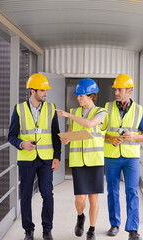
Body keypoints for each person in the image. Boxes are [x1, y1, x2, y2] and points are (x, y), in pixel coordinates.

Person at [8, 73, 61, 240]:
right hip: (26, 160)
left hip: (46, 159)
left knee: (47, 194)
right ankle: (28, 230)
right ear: (33, 91)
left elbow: (56, 135)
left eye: (46, 90)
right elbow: (11, 136)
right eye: (42, 90)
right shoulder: (19, 109)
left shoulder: (51, 109)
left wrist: (57, 157)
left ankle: (47, 230)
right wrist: (22, 144)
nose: (45, 93)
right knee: (25, 196)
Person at [56, 78, 106, 240]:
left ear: (91, 96)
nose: (78, 98)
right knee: (80, 198)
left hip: (95, 161)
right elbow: (72, 133)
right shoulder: (75, 112)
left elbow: (89, 124)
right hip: (78, 161)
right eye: (77, 96)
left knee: (93, 197)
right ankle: (80, 217)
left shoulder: (101, 112)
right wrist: (67, 138)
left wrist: (67, 114)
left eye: (81, 96)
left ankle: (91, 229)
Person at [103, 74, 143, 240]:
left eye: (119, 89)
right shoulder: (107, 108)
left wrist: (134, 137)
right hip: (111, 156)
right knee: (112, 190)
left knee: (132, 191)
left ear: (129, 90)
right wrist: (109, 137)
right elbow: (98, 132)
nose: (116, 92)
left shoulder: (139, 110)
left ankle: (132, 229)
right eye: (115, 89)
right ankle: (114, 224)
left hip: (131, 158)